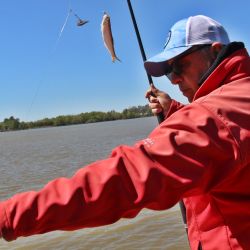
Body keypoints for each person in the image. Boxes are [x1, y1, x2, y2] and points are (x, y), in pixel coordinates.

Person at [1, 14, 250, 250]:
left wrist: (8, 216)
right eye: (168, 71)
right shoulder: (237, 100)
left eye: (179, 66)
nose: (173, 80)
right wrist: (175, 111)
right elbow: (222, 141)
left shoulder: (214, 116)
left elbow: (126, 178)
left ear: (216, 51)